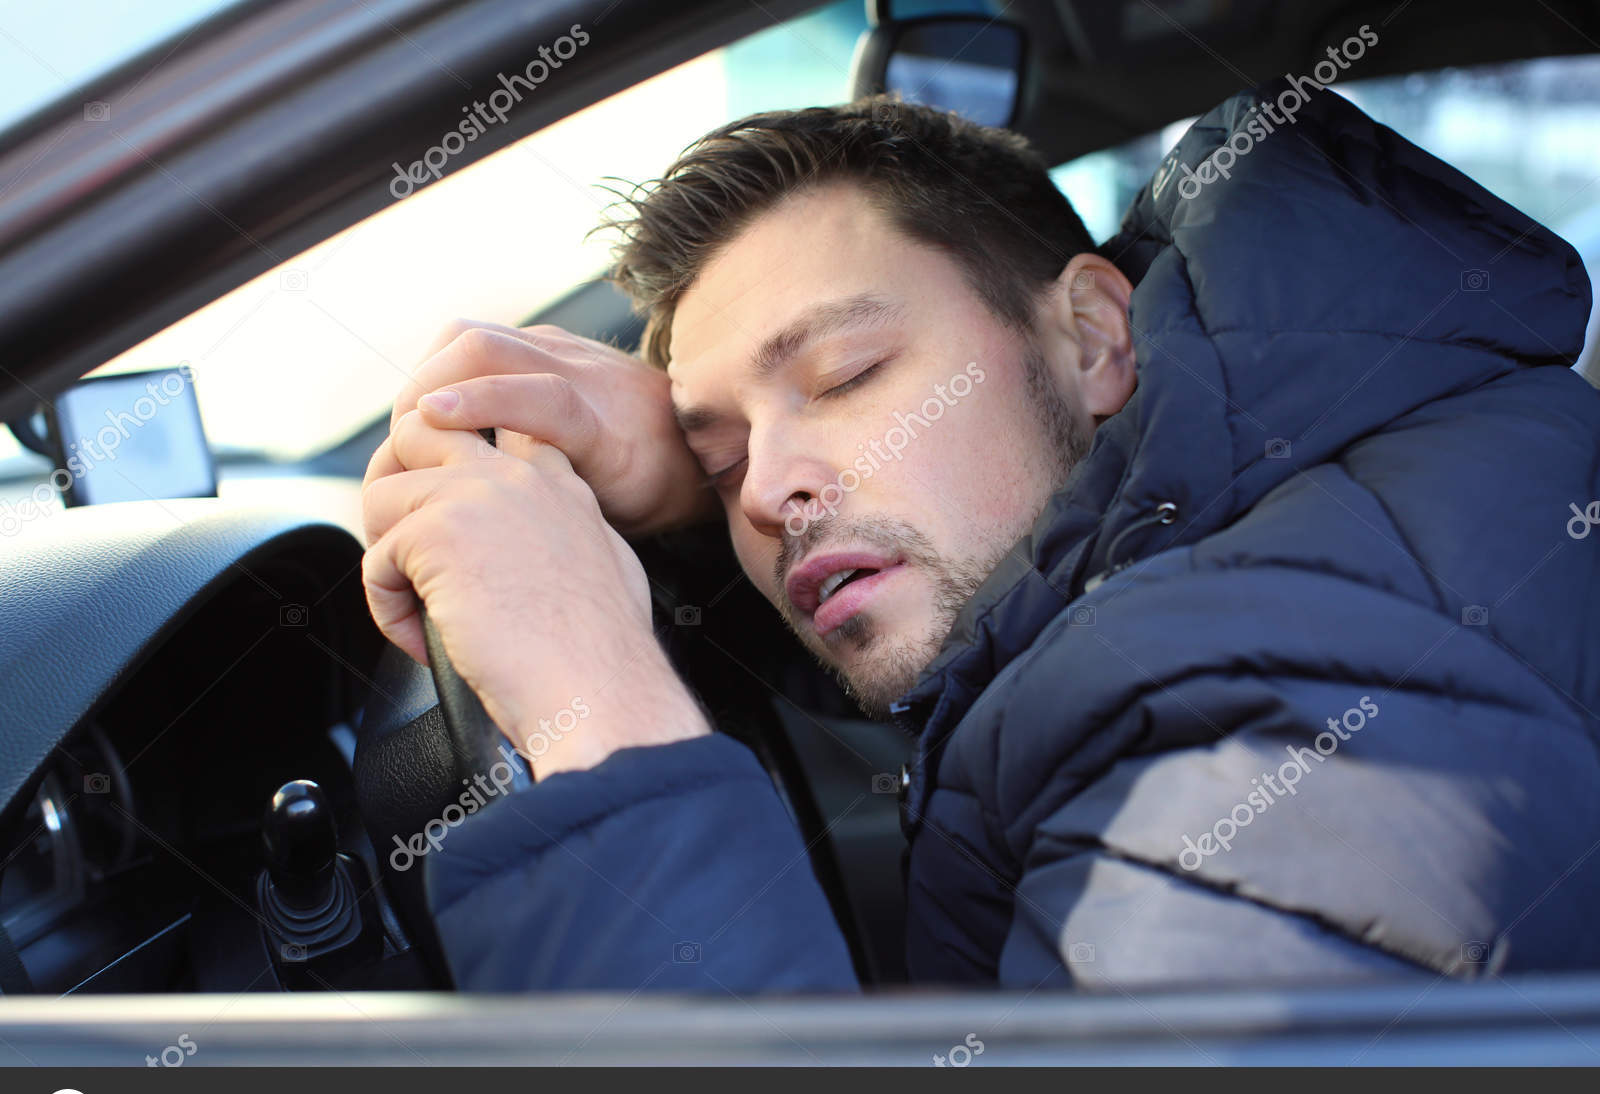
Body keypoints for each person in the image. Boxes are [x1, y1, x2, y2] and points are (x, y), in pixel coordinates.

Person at [360, 82, 1600, 991]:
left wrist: (594, 704)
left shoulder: (1274, 706)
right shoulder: (1269, 536)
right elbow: (971, 621)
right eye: (721, 451)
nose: (765, 489)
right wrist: (681, 510)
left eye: (845, 375)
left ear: (1092, 337)